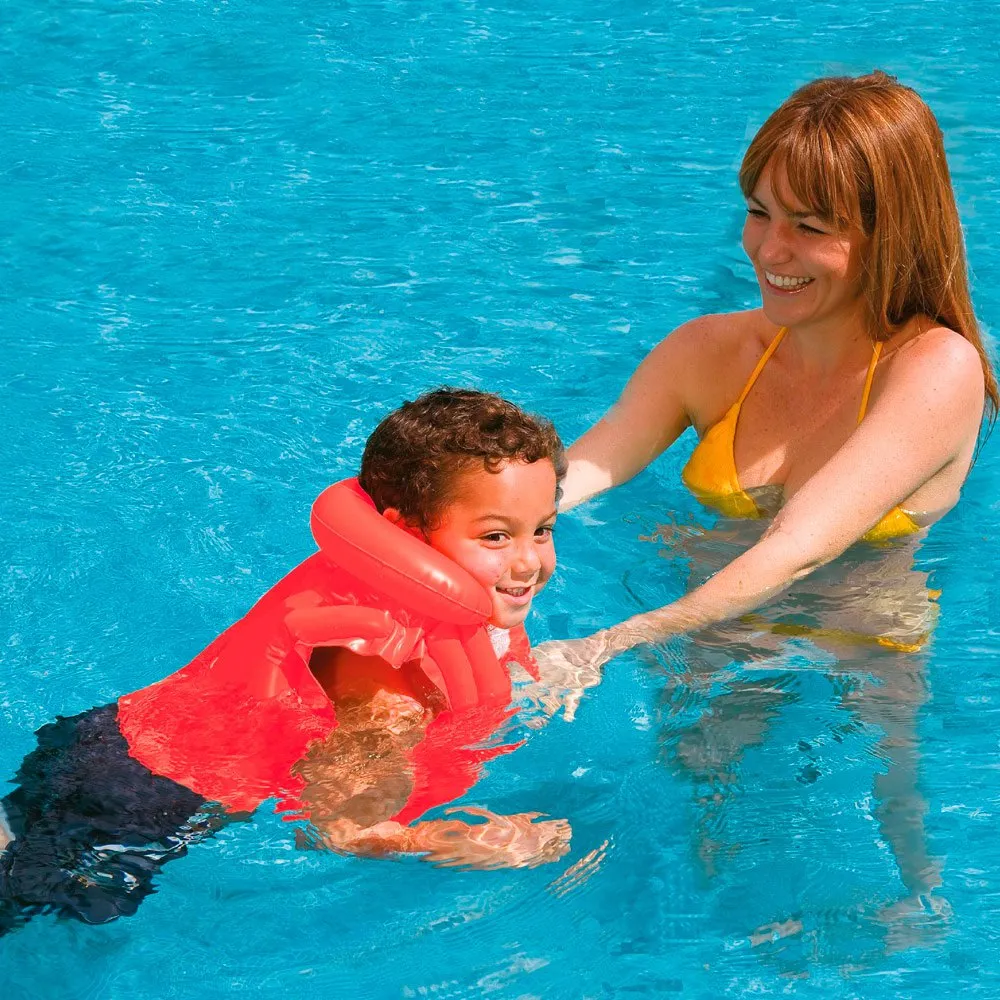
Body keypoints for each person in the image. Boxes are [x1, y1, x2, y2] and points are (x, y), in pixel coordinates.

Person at [0, 388, 570, 934]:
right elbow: (338, 827)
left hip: (106, 736)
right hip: (141, 804)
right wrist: (454, 842)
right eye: (496, 537)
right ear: (405, 533)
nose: (529, 562)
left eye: (542, 529)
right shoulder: (378, 678)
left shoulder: (380, 595)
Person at [540, 70, 996, 669]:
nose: (769, 250)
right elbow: (575, 475)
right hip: (711, 623)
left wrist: (604, 646)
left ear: (890, 235)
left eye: (810, 226)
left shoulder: (937, 369)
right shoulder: (707, 351)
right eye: (759, 213)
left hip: (858, 651)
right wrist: (450, 526)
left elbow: (798, 548)